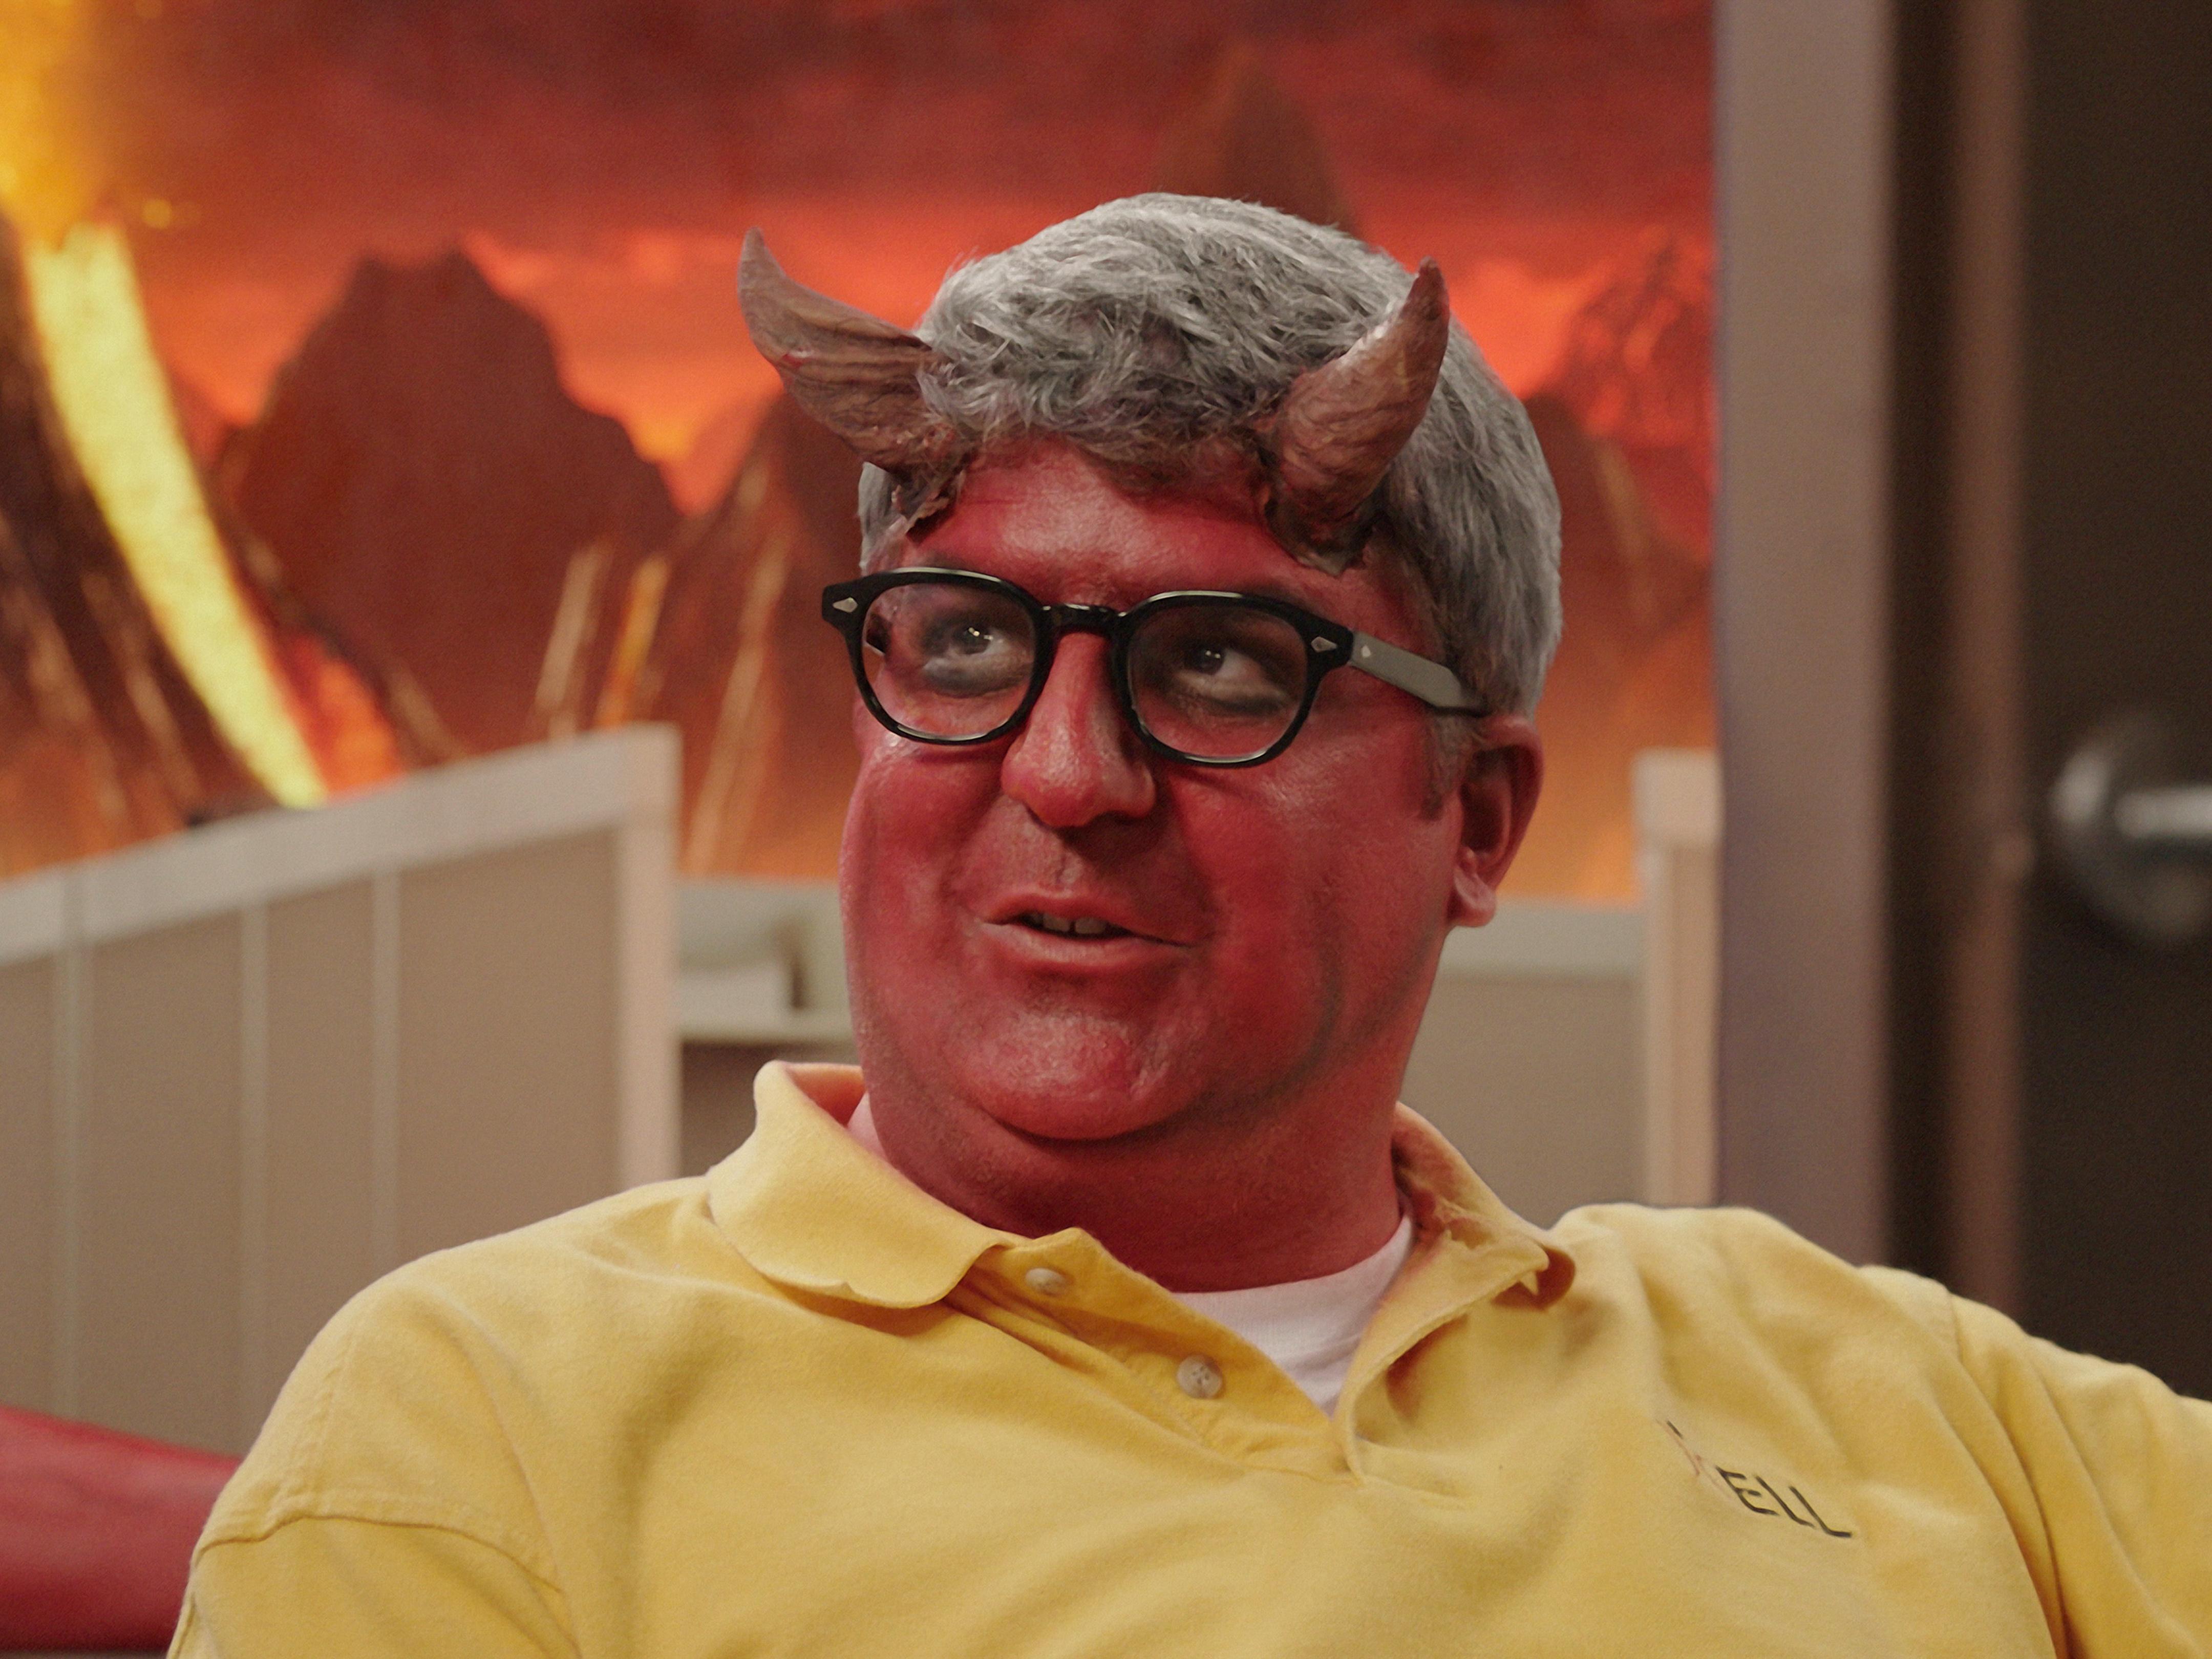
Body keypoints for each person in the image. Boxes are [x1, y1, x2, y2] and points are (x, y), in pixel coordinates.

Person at [174, 196, 2211, 1657]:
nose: (1067, 773)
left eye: (1221, 664)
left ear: (1478, 817)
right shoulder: (490, 1426)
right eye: (965, 645)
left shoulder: (1883, 1388)